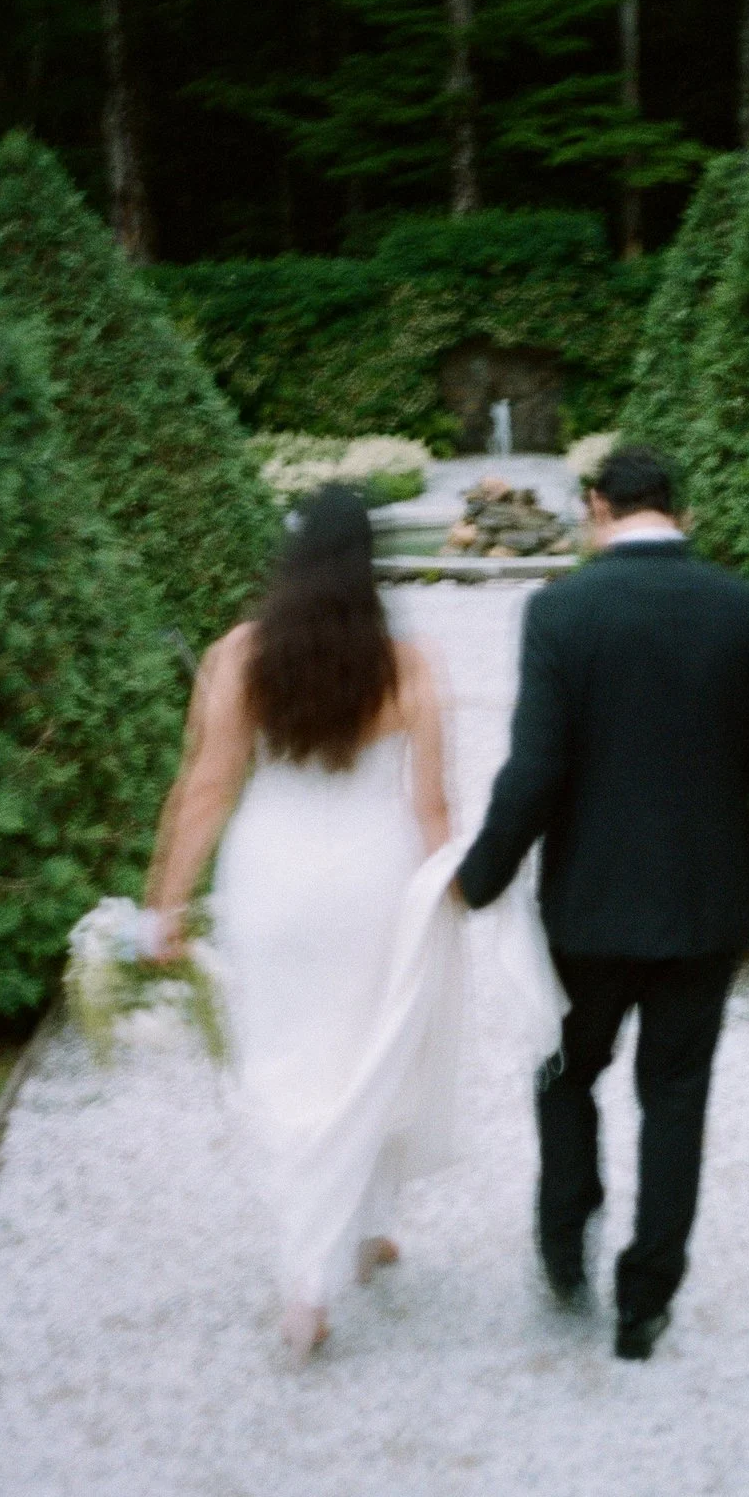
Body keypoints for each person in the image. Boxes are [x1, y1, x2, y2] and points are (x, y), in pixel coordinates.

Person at [456, 445, 749, 1361]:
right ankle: (645, 1301)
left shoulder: (562, 609)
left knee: (568, 1073)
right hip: (707, 904)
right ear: (675, 508)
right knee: (677, 1097)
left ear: (599, 507)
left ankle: (566, 1240)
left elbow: (536, 770)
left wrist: (479, 877)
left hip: (589, 908)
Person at [145, 486, 460, 1362]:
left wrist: (164, 903)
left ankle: (307, 1280)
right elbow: (433, 806)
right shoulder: (411, 664)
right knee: (370, 1049)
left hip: (273, 880)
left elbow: (205, 789)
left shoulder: (239, 655)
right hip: (376, 877)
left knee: (289, 1061)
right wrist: (458, 891)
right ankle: (363, 1231)